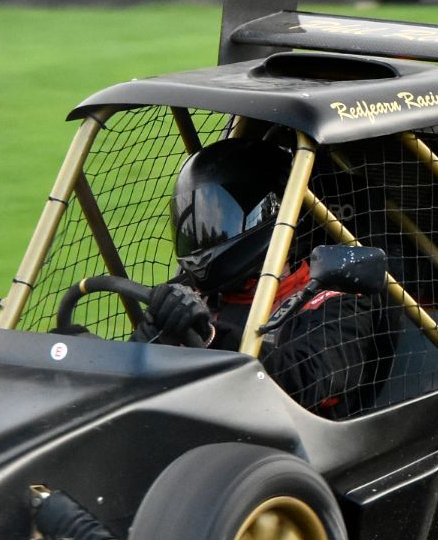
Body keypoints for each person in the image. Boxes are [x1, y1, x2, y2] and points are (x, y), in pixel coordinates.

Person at [140, 135, 396, 420]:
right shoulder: (196, 294)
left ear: (266, 215)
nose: (205, 232)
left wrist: (209, 337)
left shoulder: (334, 302)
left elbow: (307, 381)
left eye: (220, 216)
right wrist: (148, 338)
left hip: (292, 450)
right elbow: (140, 384)